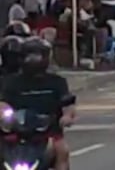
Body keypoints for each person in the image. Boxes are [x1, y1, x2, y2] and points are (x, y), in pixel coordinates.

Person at [0, 37, 76, 170]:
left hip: (48, 133)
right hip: (16, 133)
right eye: (29, 56)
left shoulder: (57, 82)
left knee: (62, 151)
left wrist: (67, 116)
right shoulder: (11, 82)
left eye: (37, 56)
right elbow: (3, 102)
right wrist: (4, 114)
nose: (33, 60)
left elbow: (68, 104)